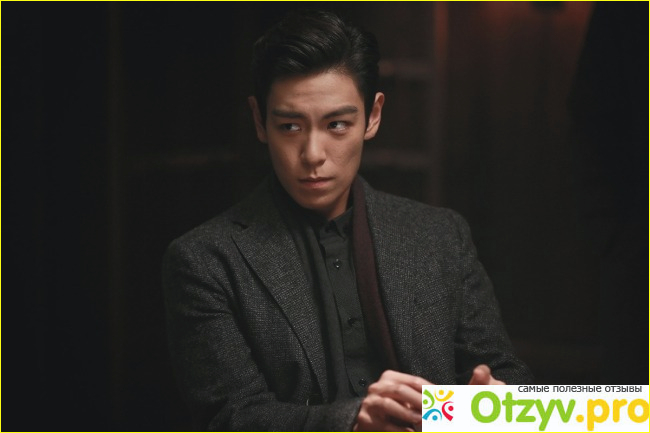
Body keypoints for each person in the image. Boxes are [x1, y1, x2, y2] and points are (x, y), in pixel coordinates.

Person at [163, 9, 533, 431]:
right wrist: (353, 422)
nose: (313, 154)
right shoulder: (206, 260)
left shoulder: (441, 235)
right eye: (290, 127)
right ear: (259, 121)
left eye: (337, 124)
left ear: (373, 116)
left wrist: (496, 398)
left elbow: (508, 376)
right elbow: (230, 417)